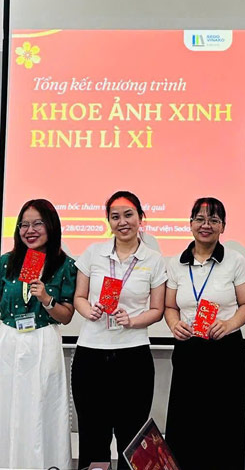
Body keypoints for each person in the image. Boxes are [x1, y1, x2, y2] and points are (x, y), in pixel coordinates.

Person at [71, 191, 168, 468]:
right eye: (115, 217)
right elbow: (79, 297)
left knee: (132, 437)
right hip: (91, 354)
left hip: (133, 356)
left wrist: (132, 320)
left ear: (141, 217)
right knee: (92, 435)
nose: (122, 222)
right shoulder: (93, 253)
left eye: (128, 215)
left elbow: (157, 309)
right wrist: (87, 310)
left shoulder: (153, 259)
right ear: (108, 221)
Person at [0, 199, 76, 469]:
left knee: (40, 409)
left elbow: (66, 316)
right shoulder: (7, 262)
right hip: (8, 339)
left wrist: (46, 299)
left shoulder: (65, 265)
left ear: (51, 226)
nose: (30, 230)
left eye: (37, 224)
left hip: (42, 340)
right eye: (24, 224)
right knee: (2, 405)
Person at [163, 197, 245, 470]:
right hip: (189, 349)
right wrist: (174, 324)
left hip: (225, 350)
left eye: (214, 220)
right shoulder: (177, 263)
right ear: (190, 224)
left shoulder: (235, 260)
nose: (206, 225)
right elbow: (169, 306)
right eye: (200, 219)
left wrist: (229, 324)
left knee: (227, 425)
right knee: (186, 424)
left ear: (223, 226)